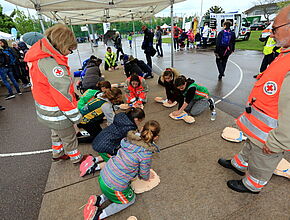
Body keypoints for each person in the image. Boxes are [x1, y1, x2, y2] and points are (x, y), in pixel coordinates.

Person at [218, 5, 290, 194]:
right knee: (250, 146)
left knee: (261, 161)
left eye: (274, 28)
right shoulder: (285, 53)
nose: (272, 34)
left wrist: (277, 143)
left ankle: (252, 184)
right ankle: (239, 164)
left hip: (270, 137)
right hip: (259, 131)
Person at [24, 24, 85, 164]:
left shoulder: (38, 56)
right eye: (70, 49)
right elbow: (62, 94)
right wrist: (76, 117)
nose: (70, 52)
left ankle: (57, 153)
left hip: (45, 110)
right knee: (69, 136)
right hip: (57, 112)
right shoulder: (52, 64)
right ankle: (76, 158)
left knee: (56, 133)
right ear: (62, 44)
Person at [83, 120, 161, 220]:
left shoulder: (128, 140)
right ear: (156, 137)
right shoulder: (146, 153)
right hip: (113, 185)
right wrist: (147, 177)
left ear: (141, 129)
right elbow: (144, 172)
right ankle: (98, 215)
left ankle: (99, 199)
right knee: (129, 199)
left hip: (103, 175)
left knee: (117, 186)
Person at [79, 108, 145, 177]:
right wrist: (141, 134)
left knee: (107, 153)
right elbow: (132, 138)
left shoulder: (121, 116)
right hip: (105, 145)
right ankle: (94, 167)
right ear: (136, 119)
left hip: (100, 139)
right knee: (115, 161)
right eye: (140, 121)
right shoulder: (129, 127)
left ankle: (94, 159)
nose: (139, 123)